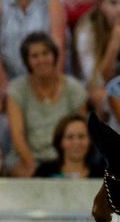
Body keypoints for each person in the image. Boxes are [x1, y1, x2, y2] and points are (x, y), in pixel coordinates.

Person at [6, 32, 86, 177]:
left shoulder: (74, 89)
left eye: (45, 53)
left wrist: (66, 166)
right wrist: (36, 169)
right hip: (28, 159)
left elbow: (81, 132)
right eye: (35, 56)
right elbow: (17, 136)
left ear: (54, 56)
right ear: (27, 61)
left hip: (67, 158)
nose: (41, 60)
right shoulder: (16, 90)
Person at [0, 0, 66, 94]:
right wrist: (4, 87)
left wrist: (50, 85)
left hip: (46, 77)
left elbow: (59, 46)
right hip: (6, 79)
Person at [33, 113, 103, 178]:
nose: (76, 142)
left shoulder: (101, 175)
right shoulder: (44, 172)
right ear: (60, 141)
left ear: (90, 141)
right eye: (70, 137)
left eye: (81, 136)